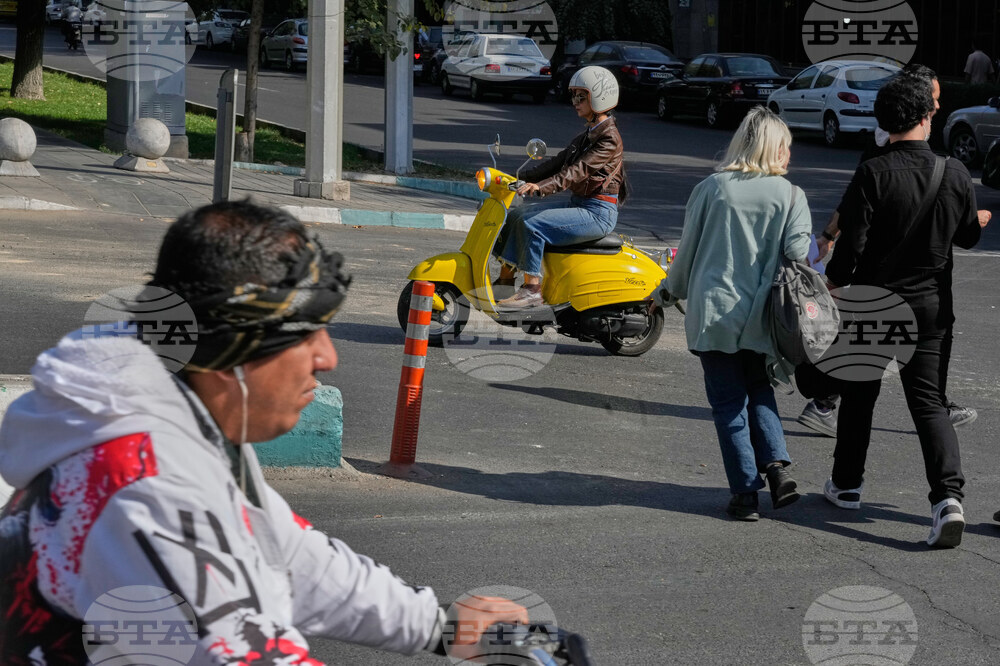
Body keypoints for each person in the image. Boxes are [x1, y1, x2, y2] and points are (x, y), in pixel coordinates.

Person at [0, 201, 528, 662]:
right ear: (229, 351)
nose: (327, 356)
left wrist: (443, 629)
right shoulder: (142, 486)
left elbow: (290, 557)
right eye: (304, 334)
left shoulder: (184, 416)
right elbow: (243, 652)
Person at [822, 75, 990, 547]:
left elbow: (851, 245)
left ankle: (847, 485)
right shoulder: (954, 171)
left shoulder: (873, 171)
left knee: (859, 396)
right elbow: (967, 237)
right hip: (931, 306)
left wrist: (833, 285)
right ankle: (947, 500)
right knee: (929, 402)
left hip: (874, 300)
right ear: (926, 116)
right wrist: (973, 220)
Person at [800, 64, 984, 437]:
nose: (937, 107)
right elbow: (859, 202)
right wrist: (831, 240)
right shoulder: (890, 142)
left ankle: (837, 405)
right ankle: (829, 401)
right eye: (933, 100)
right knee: (889, 346)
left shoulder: (904, 139)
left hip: (898, 278)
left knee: (885, 344)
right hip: (897, 278)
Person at [662, 107, 810, 521]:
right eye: (786, 148)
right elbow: (799, 255)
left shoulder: (712, 189)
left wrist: (665, 293)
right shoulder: (792, 196)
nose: (788, 156)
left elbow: (687, 254)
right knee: (759, 389)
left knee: (728, 404)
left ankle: (746, 493)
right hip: (763, 316)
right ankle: (778, 468)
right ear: (772, 149)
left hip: (715, 313)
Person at [492, 65, 627, 308]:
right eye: (573, 95)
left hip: (597, 213)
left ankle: (532, 290)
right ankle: (503, 283)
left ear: (599, 97)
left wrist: (540, 188)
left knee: (533, 225)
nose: (575, 101)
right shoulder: (590, 133)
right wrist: (514, 176)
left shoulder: (608, 139)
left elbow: (576, 172)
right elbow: (557, 163)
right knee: (516, 215)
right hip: (581, 205)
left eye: (581, 96)